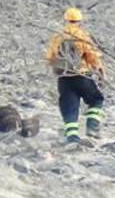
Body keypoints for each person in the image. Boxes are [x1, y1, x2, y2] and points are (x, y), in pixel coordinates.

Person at [45, 8, 106, 142]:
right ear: (80, 21)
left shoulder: (57, 36)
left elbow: (49, 58)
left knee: (69, 108)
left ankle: (72, 137)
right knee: (97, 99)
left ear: (65, 20)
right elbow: (93, 57)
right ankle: (92, 128)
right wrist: (101, 72)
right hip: (81, 76)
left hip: (64, 79)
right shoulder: (82, 36)